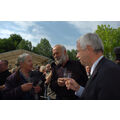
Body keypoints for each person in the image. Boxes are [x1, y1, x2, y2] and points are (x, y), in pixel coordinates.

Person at [65, 33, 120, 100]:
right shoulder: (102, 68)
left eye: (78, 51)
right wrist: (78, 88)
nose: (77, 56)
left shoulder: (109, 72)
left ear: (88, 49)